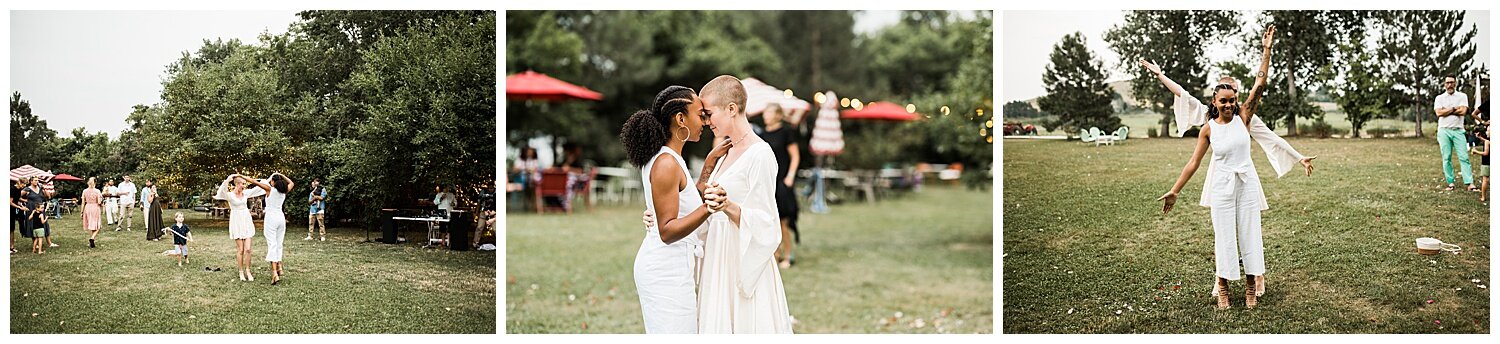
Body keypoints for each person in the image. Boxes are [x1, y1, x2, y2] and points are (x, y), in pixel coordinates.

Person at [1158, 25, 1276, 310]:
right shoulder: (1208, 129)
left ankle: (1250, 286)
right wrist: (1175, 191)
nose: (1229, 104)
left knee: (1250, 232)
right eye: (1223, 101)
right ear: (1214, 102)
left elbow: (1259, 84)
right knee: (1224, 235)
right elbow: (1194, 162)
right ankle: (1222, 286)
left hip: (1246, 184)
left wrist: (1266, 51)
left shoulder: (1244, 116)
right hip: (1221, 186)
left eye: (1232, 100)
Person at [619, 85, 730, 333]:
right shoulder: (666, 163)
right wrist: (709, 208)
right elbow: (667, 231)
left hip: (674, 267)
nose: (705, 120)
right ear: (681, 118)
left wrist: (709, 163)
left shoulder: (670, 158)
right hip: (664, 272)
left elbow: (685, 199)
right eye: (700, 114)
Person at [696, 75, 793, 333]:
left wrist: (727, 205)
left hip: (741, 260)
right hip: (718, 256)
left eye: (708, 114)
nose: (705, 122)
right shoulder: (724, 151)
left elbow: (767, 223)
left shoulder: (760, 155)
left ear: (731, 108)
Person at [758, 103, 802, 269]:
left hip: (782, 182)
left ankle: (788, 256)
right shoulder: (761, 134)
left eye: (768, 112)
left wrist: (790, 177)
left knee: (783, 222)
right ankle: (774, 255)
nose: (765, 116)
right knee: (769, 222)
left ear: (777, 115)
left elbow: (795, 156)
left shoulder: (786, 132)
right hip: (767, 183)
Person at [215, 173, 269, 282]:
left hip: (246, 220)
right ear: (237, 184)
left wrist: (267, 179)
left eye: (244, 184)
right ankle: (241, 271)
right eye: (242, 184)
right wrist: (227, 179)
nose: (244, 186)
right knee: (241, 249)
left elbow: (260, 188)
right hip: (236, 222)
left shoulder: (246, 193)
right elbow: (220, 192)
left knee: (248, 249)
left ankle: (248, 270)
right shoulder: (229, 195)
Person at [1435, 76, 1476, 191]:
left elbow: (1463, 111)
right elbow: (1438, 113)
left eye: (1452, 82)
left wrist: (1446, 110)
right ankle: (1450, 183)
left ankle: (1469, 183)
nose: (1450, 85)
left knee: (1464, 157)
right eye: (1447, 82)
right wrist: (1454, 108)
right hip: (1444, 130)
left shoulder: (1462, 96)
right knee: (1446, 157)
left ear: (1456, 83)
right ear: (1444, 84)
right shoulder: (1440, 98)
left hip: (1458, 130)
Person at [264, 173, 294, 285]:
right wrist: (281, 175)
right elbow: (291, 183)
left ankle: (274, 273)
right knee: (278, 243)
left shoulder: (269, 190)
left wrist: (271, 177)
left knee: (272, 244)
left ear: (273, 182)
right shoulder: (284, 191)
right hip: (281, 218)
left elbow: (256, 182)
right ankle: (279, 267)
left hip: (271, 219)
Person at [81, 177, 103, 248]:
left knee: (90, 224)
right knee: (97, 225)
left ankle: (91, 240)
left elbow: (83, 203)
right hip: (95, 207)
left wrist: (81, 212)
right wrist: (102, 202)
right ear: (95, 182)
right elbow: (99, 202)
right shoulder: (97, 191)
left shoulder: (84, 191)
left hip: (87, 207)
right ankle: (92, 238)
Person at [12, 178, 29, 253]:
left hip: (13, 210)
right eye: (23, 184)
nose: (24, 186)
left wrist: (22, 206)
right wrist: (20, 207)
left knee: (12, 229)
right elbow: (10, 202)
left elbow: (17, 200)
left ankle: (11, 247)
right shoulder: (12, 189)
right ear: (19, 182)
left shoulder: (19, 190)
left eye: (25, 184)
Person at [1473, 128, 1490, 202]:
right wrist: (1480, 138)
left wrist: (1476, 151)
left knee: (1485, 180)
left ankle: (1483, 197)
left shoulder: (1487, 141)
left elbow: (1486, 153)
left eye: (1488, 130)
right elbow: (1487, 142)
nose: (1486, 132)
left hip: (1486, 163)